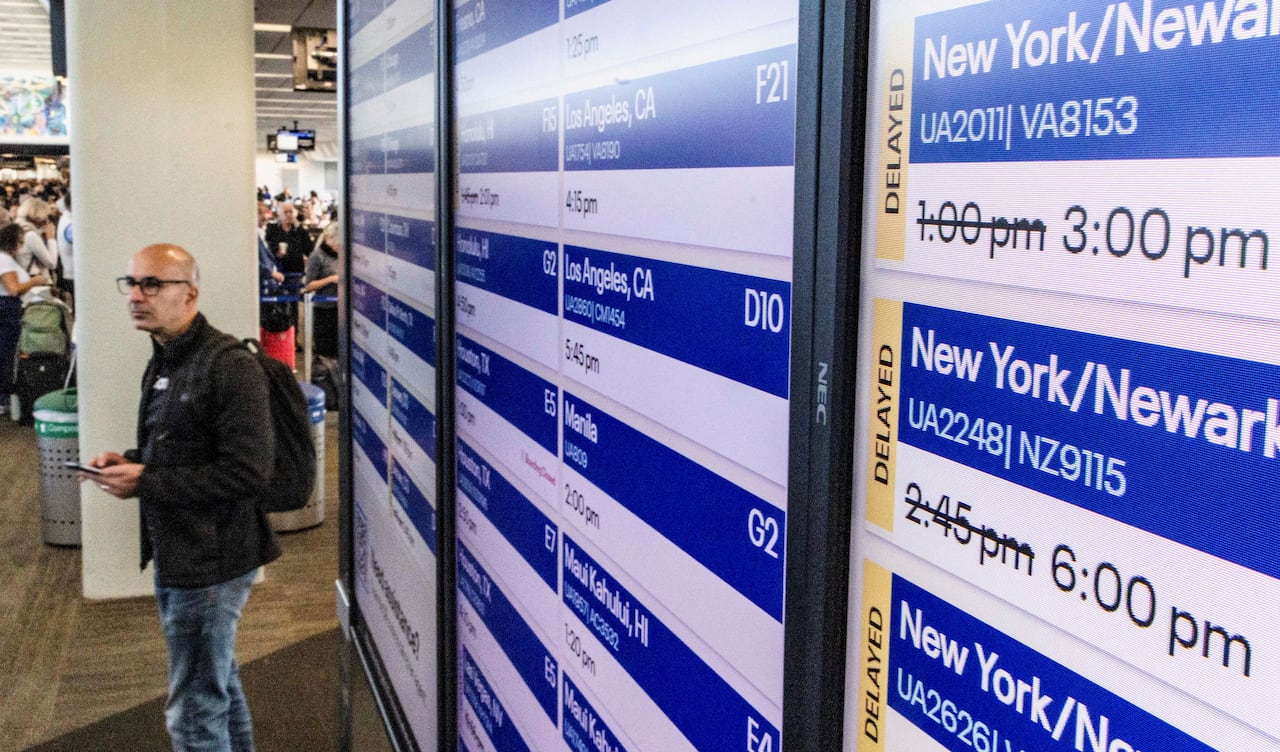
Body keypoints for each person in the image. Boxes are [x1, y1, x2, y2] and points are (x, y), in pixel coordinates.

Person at [84, 243, 280, 751]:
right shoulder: (169, 356)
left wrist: (145, 482)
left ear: (189, 294)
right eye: (131, 283)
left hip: (212, 560)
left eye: (152, 284)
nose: (135, 296)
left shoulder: (228, 365)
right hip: (182, 551)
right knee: (217, 686)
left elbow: (248, 471)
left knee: (193, 711)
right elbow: (181, 447)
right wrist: (130, 461)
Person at [0, 222, 51, 415]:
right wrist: (34, 281)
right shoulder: (4, 260)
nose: (22, 246)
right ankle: (5, 398)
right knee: (7, 354)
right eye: (20, 242)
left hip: (5, 308)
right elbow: (13, 289)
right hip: (7, 309)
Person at [303, 222, 340, 358]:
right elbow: (309, 285)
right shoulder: (317, 256)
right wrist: (330, 279)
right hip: (324, 310)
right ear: (330, 239)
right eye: (338, 243)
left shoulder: (341, 255)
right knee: (325, 350)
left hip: (340, 308)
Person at [14, 197, 59, 277]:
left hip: (21, 276)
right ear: (38, 216)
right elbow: (52, 264)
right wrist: (51, 238)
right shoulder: (31, 235)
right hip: (33, 278)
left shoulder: (17, 228)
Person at [263, 201, 310, 275]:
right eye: (285, 212)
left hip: (297, 270)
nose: (289, 215)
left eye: (291, 212)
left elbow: (309, 249)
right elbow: (266, 250)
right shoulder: (272, 229)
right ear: (279, 214)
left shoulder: (300, 230)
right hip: (278, 270)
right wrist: (277, 253)